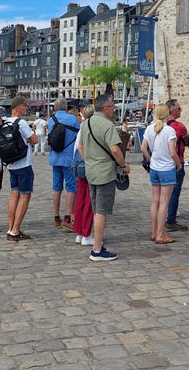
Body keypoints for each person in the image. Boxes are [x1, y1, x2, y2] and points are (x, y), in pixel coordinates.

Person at [78, 93, 130, 262]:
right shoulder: (107, 125)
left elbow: (80, 147)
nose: (114, 109)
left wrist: (89, 160)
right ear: (106, 108)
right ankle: (97, 250)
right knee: (101, 211)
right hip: (105, 172)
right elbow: (115, 150)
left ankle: (97, 243)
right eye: (113, 106)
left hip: (91, 171)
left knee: (96, 209)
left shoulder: (86, 123)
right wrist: (123, 165)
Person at [141, 104, 180, 244]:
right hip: (167, 168)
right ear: (167, 114)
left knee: (155, 202)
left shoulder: (149, 128)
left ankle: (153, 232)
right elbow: (172, 153)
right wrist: (178, 164)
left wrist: (150, 159)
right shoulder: (170, 130)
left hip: (155, 168)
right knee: (164, 203)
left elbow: (143, 148)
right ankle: (160, 234)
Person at [5, 96, 38, 242]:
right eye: (25, 105)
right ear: (18, 106)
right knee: (25, 196)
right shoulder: (21, 123)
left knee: (14, 195)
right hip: (24, 164)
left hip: (11, 164)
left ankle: (10, 227)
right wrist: (29, 138)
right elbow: (35, 140)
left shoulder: (5, 122)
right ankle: (16, 230)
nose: (26, 108)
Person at [48, 98, 80, 230]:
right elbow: (78, 136)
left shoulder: (51, 120)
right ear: (66, 107)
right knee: (71, 188)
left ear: (55, 108)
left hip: (55, 157)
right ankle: (67, 218)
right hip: (68, 158)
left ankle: (56, 218)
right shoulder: (72, 119)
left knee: (57, 188)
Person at [164, 99, 188, 231]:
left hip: (161, 164)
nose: (181, 110)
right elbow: (188, 142)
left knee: (162, 193)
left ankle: (162, 219)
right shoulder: (179, 126)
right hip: (176, 162)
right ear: (172, 110)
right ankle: (171, 220)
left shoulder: (158, 125)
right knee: (174, 192)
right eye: (179, 108)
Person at [72, 106, 94, 247]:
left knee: (80, 199)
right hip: (88, 166)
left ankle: (79, 232)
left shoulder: (81, 128)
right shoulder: (90, 128)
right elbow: (81, 147)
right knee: (89, 201)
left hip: (78, 167)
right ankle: (86, 233)